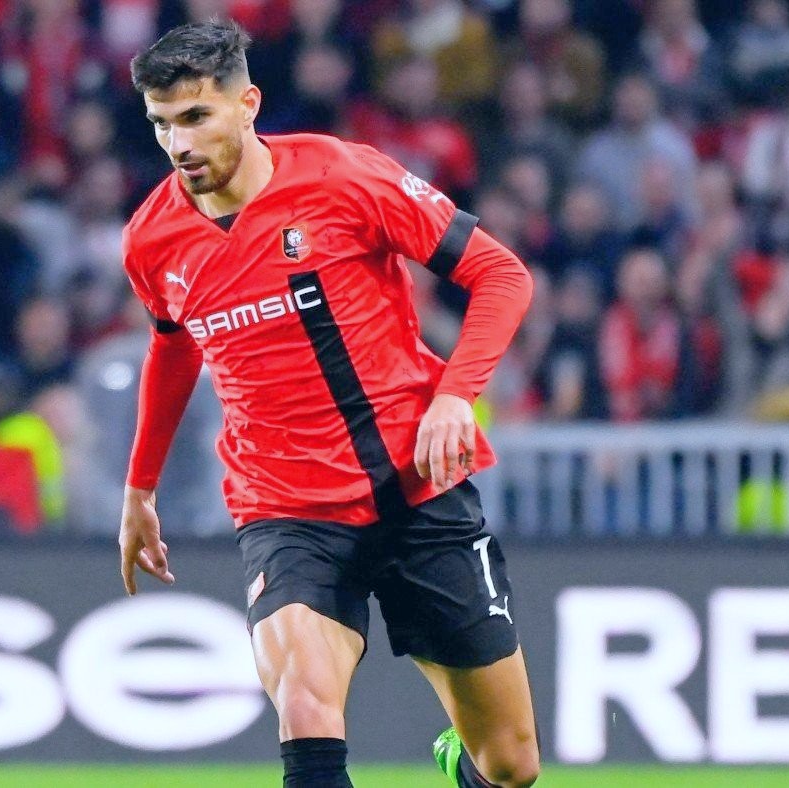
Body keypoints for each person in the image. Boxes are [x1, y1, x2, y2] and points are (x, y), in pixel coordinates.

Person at [117, 21, 539, 788]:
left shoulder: (343, 177)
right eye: (161, 123)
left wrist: (455, 397)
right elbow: (172, 347)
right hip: (287, 509)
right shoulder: (152, 239)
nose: (178, 144)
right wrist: (139, 487)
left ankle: (461, 759)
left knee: (510, 765)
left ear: (247, 105)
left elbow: (501, 275)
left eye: (196, 117)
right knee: (305, 706)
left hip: (414, 487)